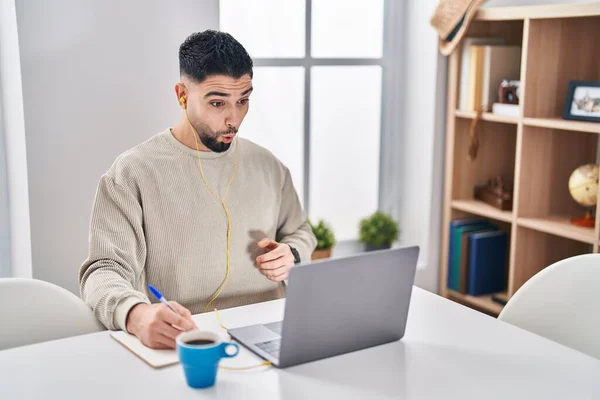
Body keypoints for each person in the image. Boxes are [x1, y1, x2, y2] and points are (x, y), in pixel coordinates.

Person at [79, 30, 316, 349]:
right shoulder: (132, 173)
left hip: (274, 334)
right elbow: (103, 270)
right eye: (217, 102)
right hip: (186, 340)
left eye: (243, 100)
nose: (233, 118)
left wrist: (293, 252)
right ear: (182, 95)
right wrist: (137, 315)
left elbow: (300, 230)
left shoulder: (268, 165)